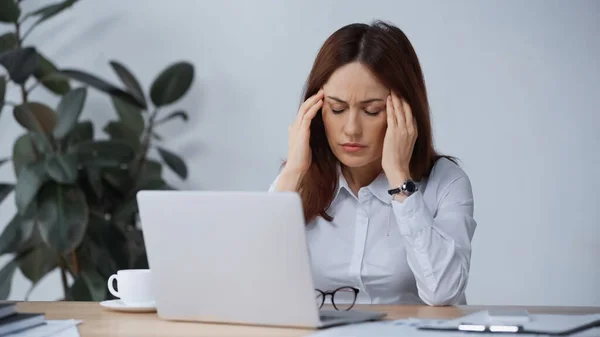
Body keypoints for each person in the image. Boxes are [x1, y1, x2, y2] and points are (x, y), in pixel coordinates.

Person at [269, 20, 477, 306]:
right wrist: (293, 172)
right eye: (337, 109)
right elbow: (253, 282)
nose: (351, 129)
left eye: (372, 110)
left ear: (405, 112)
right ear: (316, 111)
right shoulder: (297, 180)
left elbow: (444, 293)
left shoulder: (446, 182)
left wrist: (400, 180)